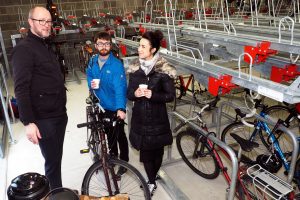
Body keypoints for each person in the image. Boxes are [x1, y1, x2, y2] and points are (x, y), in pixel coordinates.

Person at [12, 7, 68, 190]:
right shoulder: (24, 49)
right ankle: (56, 193)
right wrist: (28, 122)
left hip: (58, 114)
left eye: (49, 21)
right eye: (41, 21)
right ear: (30, 22)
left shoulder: (44, 44)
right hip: (45, 119)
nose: (46, 25)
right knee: (52, 162)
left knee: (55, 158)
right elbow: (20, 88)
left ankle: (56, 190)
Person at [127, 30, 176, 196]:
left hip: (158, 119)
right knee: (146, 154)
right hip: (140, 119)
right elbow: (128, 93)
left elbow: (170, 96)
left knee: (158, 152)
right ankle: (151, 181)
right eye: (139, 45)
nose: (139, 49)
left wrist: (153, 95)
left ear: (153, 49)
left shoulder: (164, 69)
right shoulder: (135, 68)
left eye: (143, 46)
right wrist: (135, 94)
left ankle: (153, 176)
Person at [86, 31, 129, 175]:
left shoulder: (116, 65)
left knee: (119, 134)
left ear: (110, 45)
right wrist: (91, 84)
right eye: (100, 43)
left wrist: (121, 108)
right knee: (107, 132)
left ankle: (124, 161)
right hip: (100, 105)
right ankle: (113, 155)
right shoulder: (92, 61)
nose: (103, 46)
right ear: (96, 45)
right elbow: (89, 74)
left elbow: (120, 88)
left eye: (106, 44)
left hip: (114, 106)